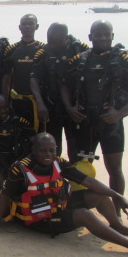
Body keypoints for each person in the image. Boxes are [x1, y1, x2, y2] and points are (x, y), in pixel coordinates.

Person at [0, 133, 128, 257]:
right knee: (84, 214)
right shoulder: (20, 169)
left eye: (51, 150)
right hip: (38, 218)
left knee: (100, 196)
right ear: (33, 151)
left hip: (57, 205)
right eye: (43, 151)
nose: (48, 155)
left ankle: (117, 225)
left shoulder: (59, 162)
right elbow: (5, 196)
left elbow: (88, 181)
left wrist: (117, 196)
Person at [61, 20, 128, 216]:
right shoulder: (79, 60)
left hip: (111, 122)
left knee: (114, 168)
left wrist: (119, 113)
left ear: (113, 36)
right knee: (79, 167)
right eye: (97, 34)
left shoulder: (125, 60)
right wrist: (70, 108)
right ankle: (80, 207)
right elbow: (64, 86)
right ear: (90, 37)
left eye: (106, 34)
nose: (102, 38)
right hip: (84, 121)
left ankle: (115, 212)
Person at [29, 23, 88, 158]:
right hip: (51, 105)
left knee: (74, 145)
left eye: (56, 42)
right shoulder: (43, 53)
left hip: (74, 107)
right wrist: (40, 103)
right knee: (53, 144)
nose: (52, 45)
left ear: (66, 38)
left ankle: (72, 174)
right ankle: (55, 173)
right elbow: (33, 79)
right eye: (50, 41)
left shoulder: (80, 50)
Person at [0, 94, 34, 195]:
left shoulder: (20, 121)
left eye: (5, 107)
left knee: (25, 183)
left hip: (17, 160)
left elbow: (35, 141)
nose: (3, 111)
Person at [1, 14, 45, 130]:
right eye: (24, 24)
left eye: (30, 23)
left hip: (37, 103)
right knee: (18, 135)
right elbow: (6, 78)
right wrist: (6, 101)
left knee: (38, 137)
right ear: (19, 27)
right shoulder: (11, 50)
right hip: (17, 102)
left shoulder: (43, 49)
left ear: (37, 26)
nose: (27, 27)